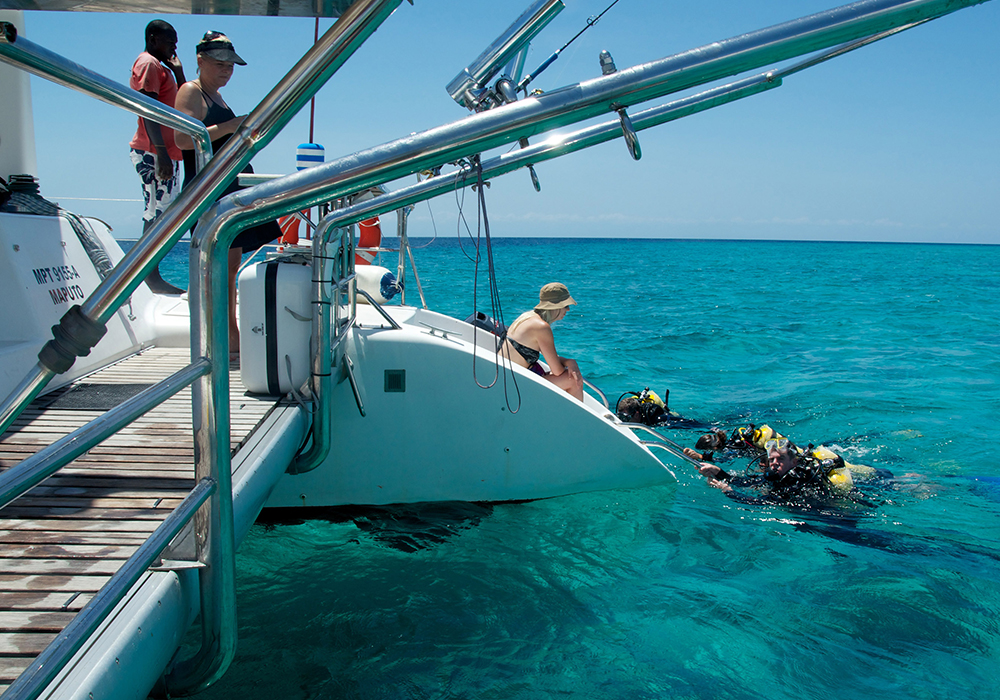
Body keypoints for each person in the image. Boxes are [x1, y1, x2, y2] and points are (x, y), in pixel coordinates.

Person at [174, 31, 281, 353]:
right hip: (210, 192)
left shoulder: (216, 97)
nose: (226, 70)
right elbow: (181, 140)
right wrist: (233, 126)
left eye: (231, 65)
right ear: (200, 60)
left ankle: (230, 338)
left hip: (230, 189)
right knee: (217, 269)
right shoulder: (191, 92)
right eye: (220, 63)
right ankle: (222, 340)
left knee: (230, 269)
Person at [129, 20, 186, 295]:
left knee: (162, 214)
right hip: (154, 152)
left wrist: (179, 73)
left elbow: (185, 105)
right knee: (156, 213)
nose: (174, 47)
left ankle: (150, 273)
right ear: (153, 38)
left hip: (166, 152)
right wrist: (161, 151)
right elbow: (147, 108)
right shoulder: (148, 63)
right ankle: (148, 277)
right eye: (169, 41)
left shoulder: (162, 67)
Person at [500, 283, 584, 401]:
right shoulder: (541, 327)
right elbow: (558, 371)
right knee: (574, 380)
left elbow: (550, 358)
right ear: (556, 306)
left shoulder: (527, 317)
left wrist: (569, 362)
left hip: (506, 379)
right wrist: (569, 362)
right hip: (515, 386)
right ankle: (577, 418)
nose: (568, 309)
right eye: (566, 305)